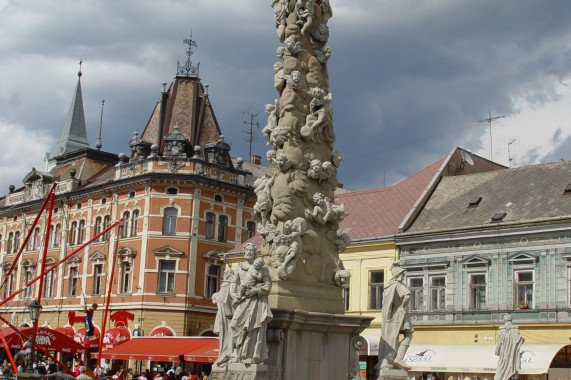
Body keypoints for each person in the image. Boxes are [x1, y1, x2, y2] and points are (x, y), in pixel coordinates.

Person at [229, 243, 273, 364]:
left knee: (252, 328)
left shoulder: (262, 269)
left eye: (251, 251)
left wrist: (256, 290)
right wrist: (233, 295)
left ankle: (247, 355)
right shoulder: (239, 267)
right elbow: (233, 282)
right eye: (246, 250)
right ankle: (237, 352)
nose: (248, 253)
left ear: (254, 253)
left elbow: (268, 285)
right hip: (242, 301)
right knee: (234, 324)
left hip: (255, 302)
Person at [375, 265, 413, 372]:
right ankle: (399, 358)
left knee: (392, 337)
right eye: (402, 274)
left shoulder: (388, 286)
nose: (403, 276)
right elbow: (407, 295)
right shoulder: (399, 285)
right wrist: (402, 307)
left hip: (389, 315)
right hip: (400, 312)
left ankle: (389, 358)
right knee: (408, 333)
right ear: (398, 275)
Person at [494, 314, 524, 380]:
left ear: (504, 320)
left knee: (501, 367)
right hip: (512, 355)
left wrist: (497, 351)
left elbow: (499, 343)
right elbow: (519, 341)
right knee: (512, 367)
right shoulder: (516, 330)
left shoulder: (501, 330)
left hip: (504, 354)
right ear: (511, 319)